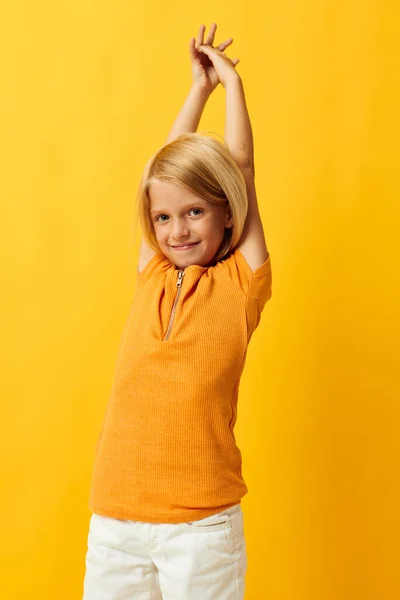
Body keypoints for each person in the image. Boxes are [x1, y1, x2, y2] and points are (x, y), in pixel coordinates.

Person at [82, 22, 272, 600]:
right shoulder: (152, 277)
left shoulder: (241, 284)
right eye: (164, 218)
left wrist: (230, 85)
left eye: (194, 212)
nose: (176, 229)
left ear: (227, 217)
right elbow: (155, 176)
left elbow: (241, 170)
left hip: (200, 525)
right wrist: (196, 89)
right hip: (117, 520)